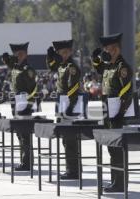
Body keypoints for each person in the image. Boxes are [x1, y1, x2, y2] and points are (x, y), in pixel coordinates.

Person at [91, 33, 133, 192]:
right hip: (107, 112)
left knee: (117, 149)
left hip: (117, 113)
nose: (106, 52)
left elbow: (127, 91)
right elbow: (99, 68)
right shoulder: (109, 66)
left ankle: (120, 183)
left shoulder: (122, 67)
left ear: (115, 49)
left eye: (107, 49)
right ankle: (115, 180)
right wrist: (95, 58)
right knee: (111, 147)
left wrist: (120, 112)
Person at [46, 40, 81, 179]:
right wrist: (50, 56)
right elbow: (51, 66)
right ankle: (71, 168)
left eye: (66, 52)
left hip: (69, 106)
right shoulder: (62, 65)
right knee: (65, 139)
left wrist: (69, 108)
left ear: (70, 52)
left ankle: (73, 171)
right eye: (61, 53)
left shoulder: (71, 67)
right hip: (62, 104)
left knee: (70, 139)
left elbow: (73, 88)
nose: (64, 55)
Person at [2, 42, 38, 171]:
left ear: (26, 54)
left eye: (21, 54)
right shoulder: (15, 68)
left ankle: (27, 162)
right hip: (15, 103)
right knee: (19, 133)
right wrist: (7, 61)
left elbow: (33, 89)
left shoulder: (28, 69)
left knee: (25, 134)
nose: (18, 56)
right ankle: (24, 160)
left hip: (24, 103)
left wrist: (29, 104)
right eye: (16, 54)